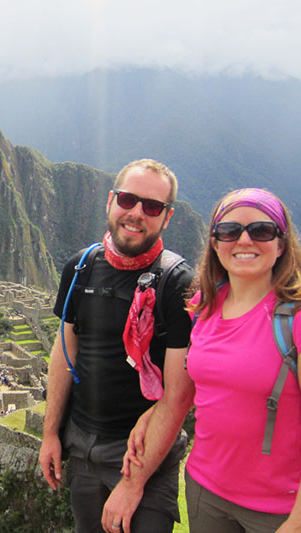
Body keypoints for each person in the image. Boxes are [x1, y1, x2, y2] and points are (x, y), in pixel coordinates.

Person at [120, 188, 301, 532]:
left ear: (282, 244)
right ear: (214, 241)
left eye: (261, 231)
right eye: (229, 231)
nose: (244, 240)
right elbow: (209, 383)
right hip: (205, 492)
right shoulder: (204, 306)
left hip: (279, 507)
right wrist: (152, 414)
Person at [39, 159, 194, 533]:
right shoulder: (81, 268)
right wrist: (50, 434)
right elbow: (65, 353)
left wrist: (133, 482)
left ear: (166, 218)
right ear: (111, 201)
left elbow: (179, 395)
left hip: (143, 455)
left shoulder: (177, 284)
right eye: (128, 199)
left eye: (152, 207)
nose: (137, 213)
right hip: (80, 443)